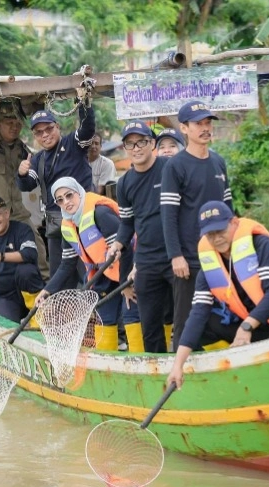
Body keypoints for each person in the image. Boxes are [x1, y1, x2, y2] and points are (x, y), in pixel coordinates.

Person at [166, 201, 269, 389]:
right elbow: (198, 314)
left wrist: (246, 327)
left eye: (220, 230)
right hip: (256, 327)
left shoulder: (261, 244)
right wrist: (177, 365)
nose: (217, 239)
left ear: (234, 223)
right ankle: (227, 374)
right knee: (198, 330)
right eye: (210, 235)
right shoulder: (210, 264)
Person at [160, 100, 233, 351]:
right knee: (185, 320)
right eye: (198, 124)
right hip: (189, 259)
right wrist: (176, 255)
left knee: (224, 311)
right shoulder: (175, 166)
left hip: (221, 254)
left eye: (207, 123)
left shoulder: (218, 162)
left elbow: (229, 208)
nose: (205, 128)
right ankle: (181, 373)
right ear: (184, 128)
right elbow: (168, 215)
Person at [34, 177, 138, 352]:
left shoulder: (100, 213)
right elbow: (66, 265)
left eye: (69, 195)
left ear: (79, 192)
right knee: (103, 319)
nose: (66, 202)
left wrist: (126, 285)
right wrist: (47, 291)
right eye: (60, 200)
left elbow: (126, 248)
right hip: (102, 274)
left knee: (132, 316)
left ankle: (141, 366)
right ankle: (107, 367)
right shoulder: (67, 226)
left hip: (128, 271)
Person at [107, 121, 173, 353]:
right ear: (125, 148)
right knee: (150, 327)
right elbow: (127, 223)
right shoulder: (124, 183)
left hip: (177, 256)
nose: (136, 148)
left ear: (152, 143)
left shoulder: (170, 168)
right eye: (130, 144)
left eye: (142, 142)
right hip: (146, 261)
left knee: (185, 318)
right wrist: (117, 244)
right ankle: (157, 371)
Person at [17, 104, 96, 286]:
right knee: (59, 280)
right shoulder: (37, 159)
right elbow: (28, 185)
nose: (45, 135)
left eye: (49, 129)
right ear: (35, 136)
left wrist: (83, 101)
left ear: (57, 127)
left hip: (84, 221)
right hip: (57, 225)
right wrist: (21, 173)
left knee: (91, 275)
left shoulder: (73, 143)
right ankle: (65, 313)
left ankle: (97, 312)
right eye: (39, 132)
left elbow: (87, 128)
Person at [0, 98, 48, 277]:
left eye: (17, 124)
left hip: (16, 210)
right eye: (9, 123)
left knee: (37, 244)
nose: (14, 127)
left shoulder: (23, 150)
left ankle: (45, 282)